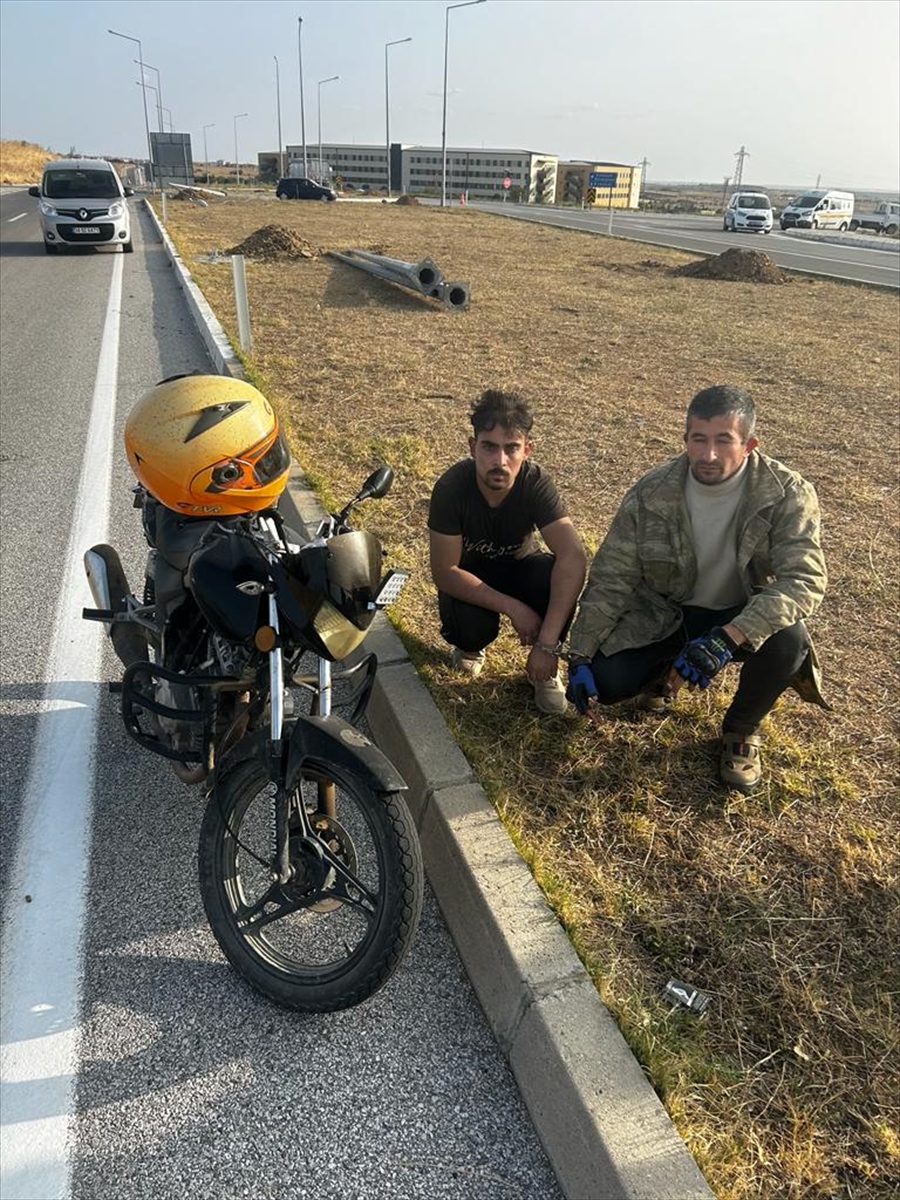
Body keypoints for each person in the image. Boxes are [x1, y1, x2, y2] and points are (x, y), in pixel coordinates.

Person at [566, 384, 828, 790]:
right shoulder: (651, 492)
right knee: (607, 680)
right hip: (666, 611)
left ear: (749, 444)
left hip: (737, 615)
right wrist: (580, 654)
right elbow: (612, 576)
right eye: (698, 439)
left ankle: (741, 729)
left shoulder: (786, 492)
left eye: (723, 441)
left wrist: (728, 639)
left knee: (788, 642)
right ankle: (659, 680)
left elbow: (804, 580)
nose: (707, 455)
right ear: (685, 438)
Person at [428, 390, 586, 714]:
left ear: (527, 450)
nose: (500, 461)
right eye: (489, 447)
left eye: (511, 448)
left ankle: (544, 671)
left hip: (519, 567)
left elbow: (573, 556)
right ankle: (470, 647)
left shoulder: (536, 483)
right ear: (472, 448)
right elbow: (445, 571)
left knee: (554, 576)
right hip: (471, 574)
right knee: (470, 627)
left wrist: (548, 643)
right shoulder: (450, 488)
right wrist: (512, 607)